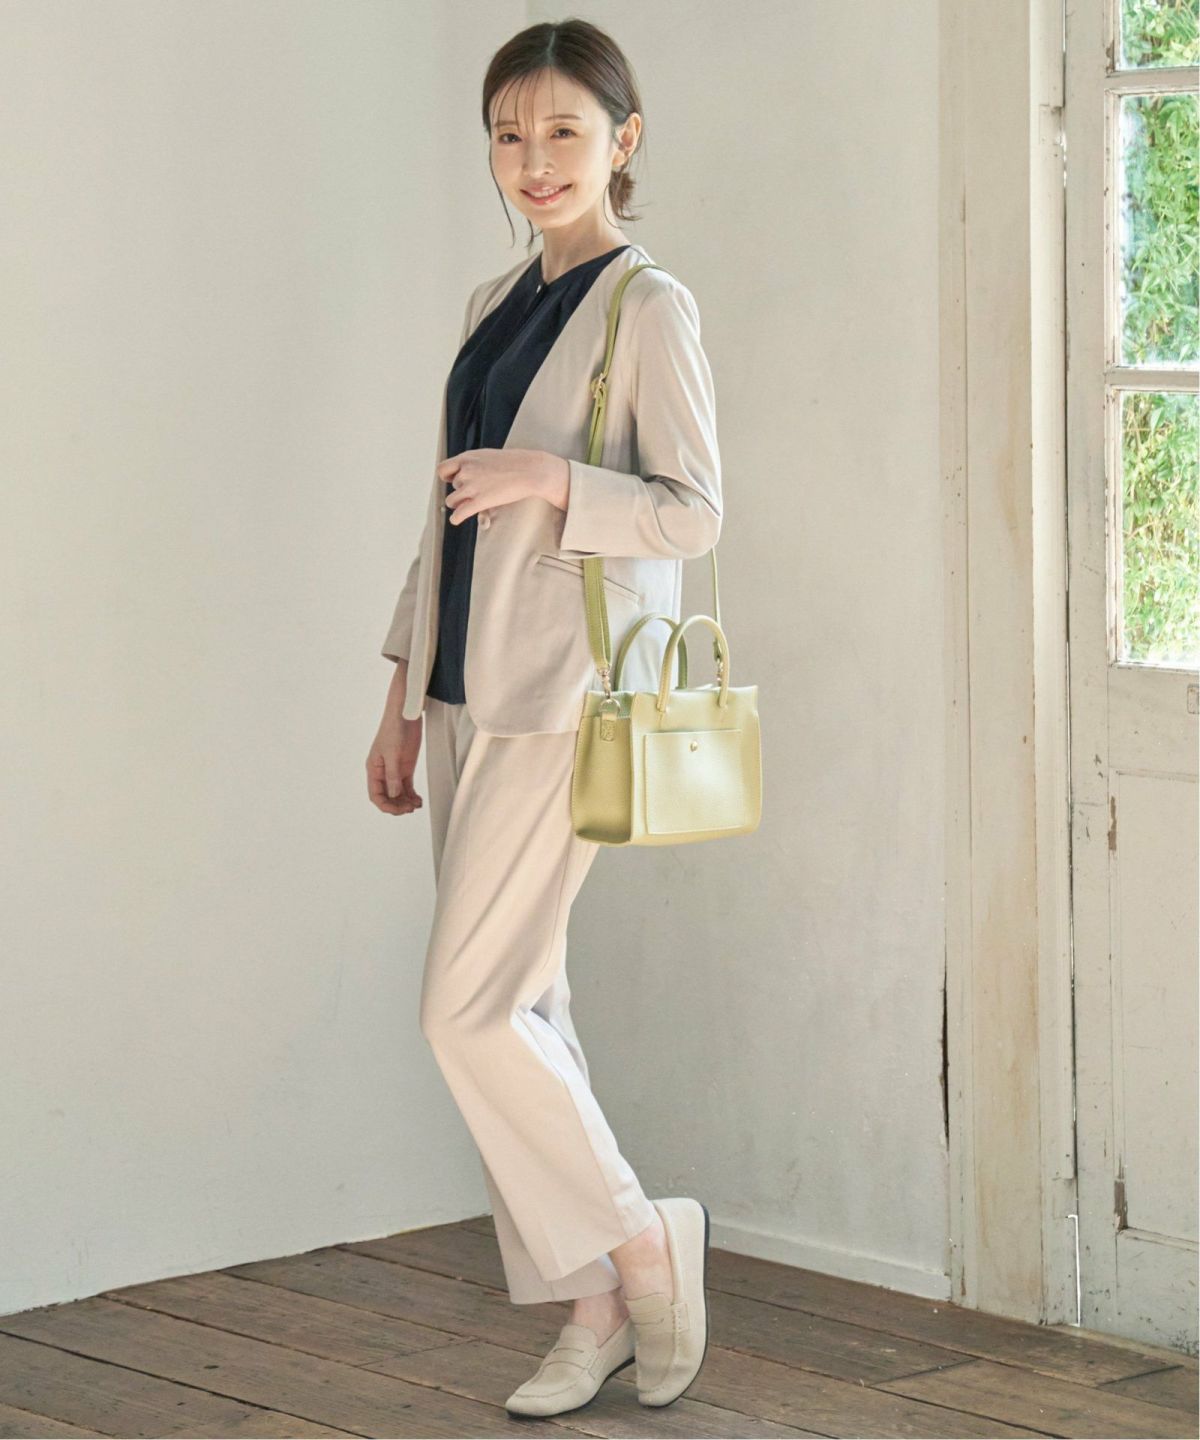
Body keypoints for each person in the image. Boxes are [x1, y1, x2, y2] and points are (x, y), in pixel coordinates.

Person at [366, 17, 721, 1419]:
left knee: (465, 1013)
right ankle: (592, 1313)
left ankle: (642, 1244)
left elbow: (694, 511)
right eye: (509, 134)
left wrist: (554, 481)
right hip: (461, 691)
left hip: (565, 698)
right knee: (527, 1007)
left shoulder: (650, 307)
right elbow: (440, 519)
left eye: (563, 131)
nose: (533, 160)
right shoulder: (488, 303)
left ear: (621, 142)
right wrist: (401, 693)